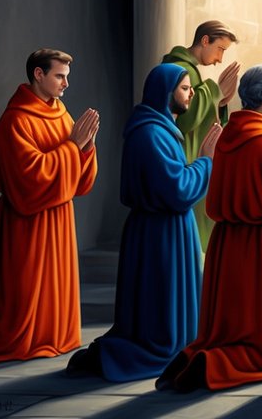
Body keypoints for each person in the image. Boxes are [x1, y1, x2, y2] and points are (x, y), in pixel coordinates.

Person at [157, 66, 262, 392]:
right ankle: (218, 364)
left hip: (229, 244)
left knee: (233, 325)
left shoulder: (228, 136)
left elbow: (214, 200)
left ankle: (201, 356)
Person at [69, 63, 219, 380]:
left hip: (164, 231)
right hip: (159, 235)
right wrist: (206, 159)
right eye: (184, 87)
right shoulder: (150, 134)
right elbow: (177, 189)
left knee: (167, 309)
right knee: (160, 312)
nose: (191, 92)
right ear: (165, 93)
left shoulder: (159, 129)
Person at [0, 49, 99, 364]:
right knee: (25, 297)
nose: (66, 84)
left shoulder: (61, 112)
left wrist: (85, 149)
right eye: (60, 76)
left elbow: (78, 179)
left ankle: (54, 334)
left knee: (54, 290)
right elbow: (28, 180)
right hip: (26, 224)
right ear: (38, 75)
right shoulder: (15, 120)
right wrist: (73, 147)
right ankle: (25, 337)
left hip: (58, 218)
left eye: (67, 77)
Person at [163, 20, 240, 250]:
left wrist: (221, 101)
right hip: (185, 156)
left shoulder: (190, 72)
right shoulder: (179, 68)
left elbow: (203, 116)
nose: (220, 59)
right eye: (220, 49)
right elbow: (185, 119)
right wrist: (214, 91)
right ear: (205, 40)